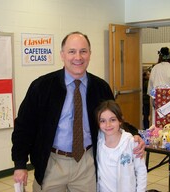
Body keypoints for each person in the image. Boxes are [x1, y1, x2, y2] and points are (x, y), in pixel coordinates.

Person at [11, 31, 145, 192]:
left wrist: (134, 135)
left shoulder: (100, 88)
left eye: (83, 51)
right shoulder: (42, 86)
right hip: (51, 162)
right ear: (62, 55)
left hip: (86, 163)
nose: (78, 57)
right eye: (72, 51)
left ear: (89, 54)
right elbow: (24, 126)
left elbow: (115, 120)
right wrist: (20, 164)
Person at [96, 100, 147, 192]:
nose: (108, 125)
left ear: (120, 120)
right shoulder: (98, 142)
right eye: (103, 121)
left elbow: (141, 170)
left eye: (113, 120)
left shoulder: (131, 142)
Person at [147, 47, 170, 124]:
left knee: (156, 123)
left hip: (157, 99)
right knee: (168, 124)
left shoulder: (155, 68)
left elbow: (150, 87)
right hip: (169, 101)